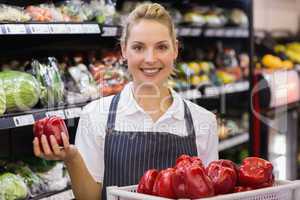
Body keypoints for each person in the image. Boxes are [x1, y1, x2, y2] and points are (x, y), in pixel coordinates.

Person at [33, 3, 218, 200]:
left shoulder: (203, 121)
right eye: (138, 47)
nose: (150, 59)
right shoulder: (95, 115)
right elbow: (89, 198)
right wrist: (72, 159)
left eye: (161, 47)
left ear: (175, 50)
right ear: (123, 50)